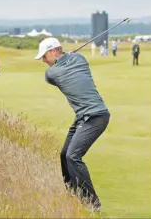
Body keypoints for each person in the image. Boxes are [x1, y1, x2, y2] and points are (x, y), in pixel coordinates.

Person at [34, 37, 110, 212]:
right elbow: (71, 59)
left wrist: (67, 57)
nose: (44, 61)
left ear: (54, 51)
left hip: (95, 116)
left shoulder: (51, 74)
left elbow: (59, 69)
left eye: (44, 56)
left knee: (73, 156)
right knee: (64, 154)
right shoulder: (80, 59)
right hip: (83, 116)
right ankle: (72, 194)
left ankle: (93, 204)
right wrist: (69, 56)